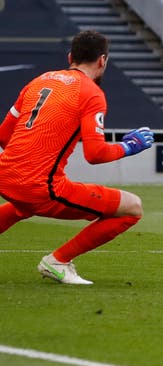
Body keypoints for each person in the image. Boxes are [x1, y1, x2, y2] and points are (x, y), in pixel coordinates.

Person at [0, 31, 154, 285]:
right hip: (40, 187)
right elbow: (94, 154)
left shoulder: (40, 81)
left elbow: (4, 135)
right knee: (132, 208)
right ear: (102, 61)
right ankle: (58, 261)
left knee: (22, 206)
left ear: (70, 56)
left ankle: (31, 198)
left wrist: (30, 159)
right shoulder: (91, 93)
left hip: (5, 176)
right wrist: (129, 147)